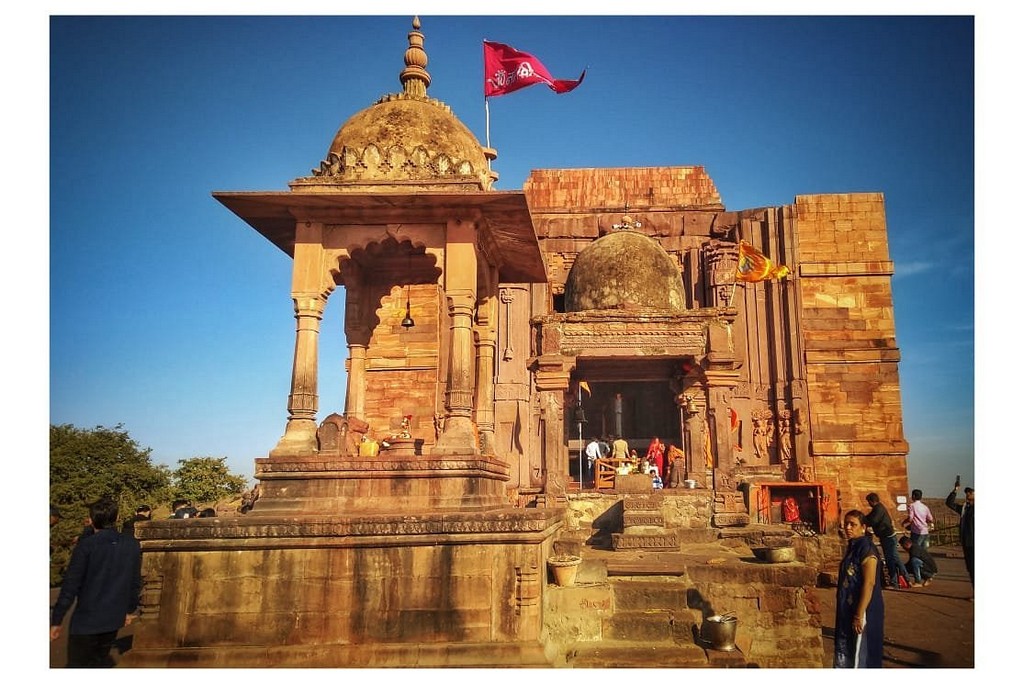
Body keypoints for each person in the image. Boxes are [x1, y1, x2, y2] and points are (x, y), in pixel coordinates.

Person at [50, 498, 142, 668]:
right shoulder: (131, 545)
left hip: (86, 619)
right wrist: (129, 609)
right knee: (99, 661)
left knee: (78, 664)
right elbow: (135, 581)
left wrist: (57, 619)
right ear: (117, 517)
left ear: (91, 519)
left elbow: (70, 585)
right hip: (113, 617)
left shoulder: (87, 545)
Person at [833, 510, 884, 668]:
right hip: (849, 606)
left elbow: (869, 583)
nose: (848, 527)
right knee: (847, 647)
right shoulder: (853, 546)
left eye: (853, 524)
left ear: (863, 527)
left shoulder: (866, 548)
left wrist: (858, 615)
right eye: (846, 524)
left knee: (861, 654)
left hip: (864, 609)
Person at [864, 492, 911, 590]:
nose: (868, 504)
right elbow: (869, 518)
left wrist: (863, 522)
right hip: (886, 537)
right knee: (893, 558)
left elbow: (873, 520)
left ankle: (899, 580)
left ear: (872, 501)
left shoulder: (878, 509)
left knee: (892, 559)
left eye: (868, 502)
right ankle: (904, 579)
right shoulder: (877, 508)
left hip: (888, 538)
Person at [945, 480, 974, 588]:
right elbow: (949, 503)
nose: (968, 494)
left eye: (971, 492)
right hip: (967, 543)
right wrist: (955, 490)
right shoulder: (965, 509)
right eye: (967, 492)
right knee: (971, 569)